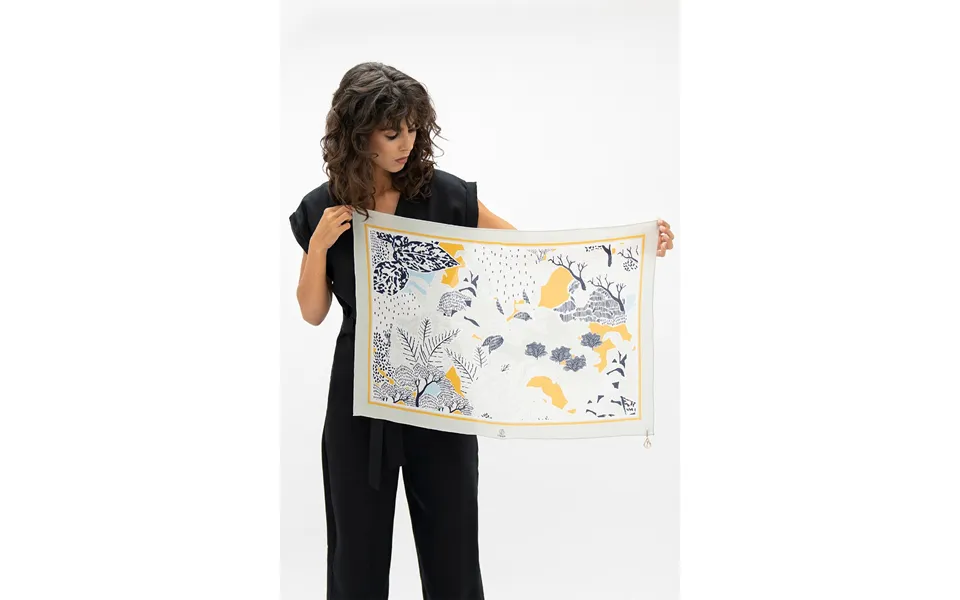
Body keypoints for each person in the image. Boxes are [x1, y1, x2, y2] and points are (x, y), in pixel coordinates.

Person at [289, 62, 675, 600]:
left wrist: (635, 246)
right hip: (358, 405)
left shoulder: (444, 195)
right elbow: (312, 312)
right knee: (355, 561)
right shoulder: (322, 207)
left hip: (443, 396)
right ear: (358, 135)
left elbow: (531, 254)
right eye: (392, 132)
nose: (407, 143)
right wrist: (318, 247)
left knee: (453, 560)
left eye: (413, 128)